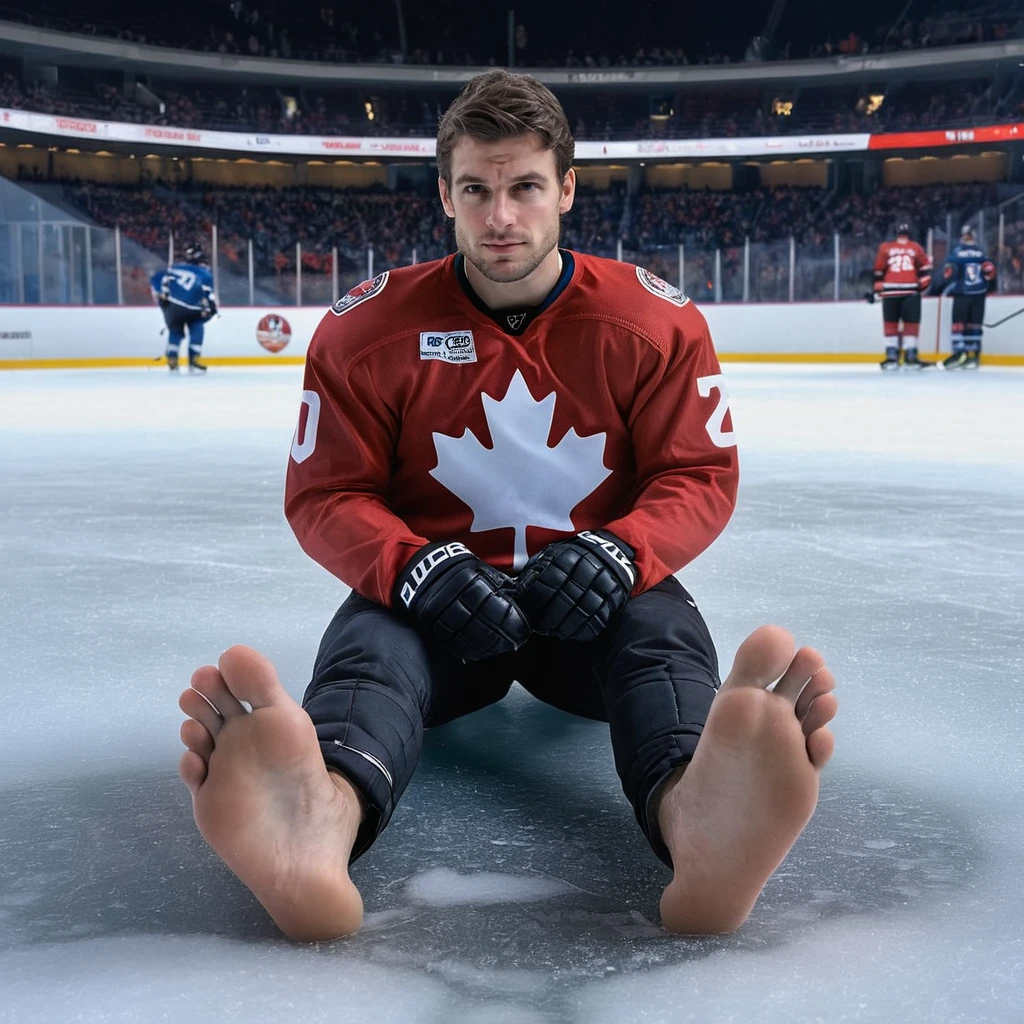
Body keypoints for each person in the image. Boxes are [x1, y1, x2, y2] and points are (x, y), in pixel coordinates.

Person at [176, 69, 838, 942]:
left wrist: (620, 554)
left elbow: (697, 473)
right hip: (436, 610)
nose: (500, 217)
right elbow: (327, 492)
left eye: (525, 186)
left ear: (565, 188)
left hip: (597, 605)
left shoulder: (655, 322)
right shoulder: (364, 330)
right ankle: (317, 819)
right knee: (374, 651)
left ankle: (699, 815)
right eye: (477, 189)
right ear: (444, 194)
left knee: (658, 636)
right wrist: (412, 569)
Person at [867, 221, 933, 370]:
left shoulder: (885, 247)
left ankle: (892, 356)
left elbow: (878, 271)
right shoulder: (915, 247)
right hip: (910, 290)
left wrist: (877, 290)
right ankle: (911, 356)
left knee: (890, 324)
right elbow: (925, 270)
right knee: (911, 324)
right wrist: (922, 283)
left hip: (890, 291)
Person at [150, 243, 217, 373]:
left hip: (173, 307)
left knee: (175, 330)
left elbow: (156, 280)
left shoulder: (174, 268)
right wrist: (212, 308)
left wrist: (162, 298)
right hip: (193, 308)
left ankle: (172, 358)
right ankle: (194, 360)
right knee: (197, 328)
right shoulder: (205, 273)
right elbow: (208, 294)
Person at [940, 224, 996, 370]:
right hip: (978, 293)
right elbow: (990, 274)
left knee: (958, 324)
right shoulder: (982, 254)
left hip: (962, 294)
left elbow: (948, 274)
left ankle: (959, 353)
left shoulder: (956, 253)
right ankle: (973, 356)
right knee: (975, 325)